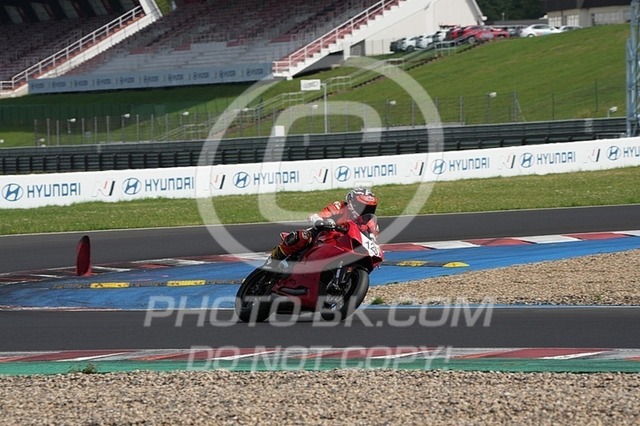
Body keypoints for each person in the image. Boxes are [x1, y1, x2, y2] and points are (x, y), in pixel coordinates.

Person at [267, 187, 379, 266]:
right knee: (302, 236)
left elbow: (373, 242)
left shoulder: (371, 224)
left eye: (370, 208)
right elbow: (320, 215)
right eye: (364, 207)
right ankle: (272, 261)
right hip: (325, 235)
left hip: (346, 246)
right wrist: (319, 221)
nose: (367, 211)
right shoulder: (340, 206)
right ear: (352, 203)